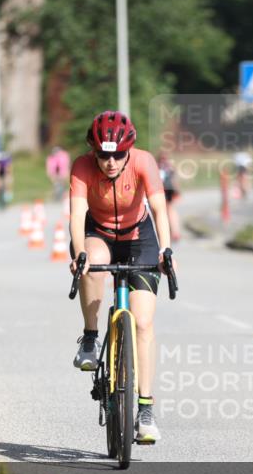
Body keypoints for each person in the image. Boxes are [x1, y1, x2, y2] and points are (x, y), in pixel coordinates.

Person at [69, 111, 175, 444]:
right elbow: (76, 214)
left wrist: (166, 250)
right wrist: (79, 254)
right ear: (93, 151)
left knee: (143, 323)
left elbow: (159, 208)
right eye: (103, 155)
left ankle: (145, 410)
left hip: (139, 237)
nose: (111, 162)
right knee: (93, 262)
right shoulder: (82, 166)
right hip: (99, 233)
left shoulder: (144, 162)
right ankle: (90, 337)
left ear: (129, 150)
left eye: (117, 155)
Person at [158, 152, 181, 242]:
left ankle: (169, 232)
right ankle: (175, 231)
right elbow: (175, 180)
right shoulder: (170, 167)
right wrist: (177, 191)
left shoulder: (157, 166)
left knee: (163, 211)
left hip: (162, 190)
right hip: (169, 190)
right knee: (170, 210)